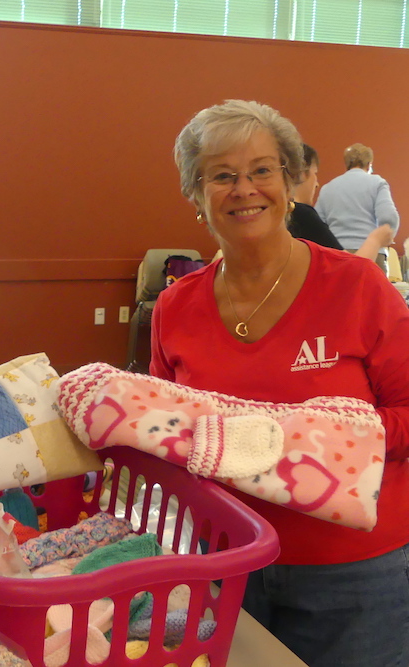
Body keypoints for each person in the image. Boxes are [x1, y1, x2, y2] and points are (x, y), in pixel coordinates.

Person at [154, 99, 409, 667]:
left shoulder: (358, 286)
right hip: (226, 563)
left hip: (354, 575)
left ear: (290, 182)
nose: (244, 188)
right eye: (221, 175)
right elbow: (163, 428)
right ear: (196, 195)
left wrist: (298, 441)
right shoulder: (174, 307)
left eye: (262, 170)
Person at [315, 142, 400, 272]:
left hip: (335, 256)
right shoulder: (377, 183)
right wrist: (387, 237)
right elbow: (389, 217)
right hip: (372, 254)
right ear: (369, 164)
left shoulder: (327, 188)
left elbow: (318, 224)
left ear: (346, 164)